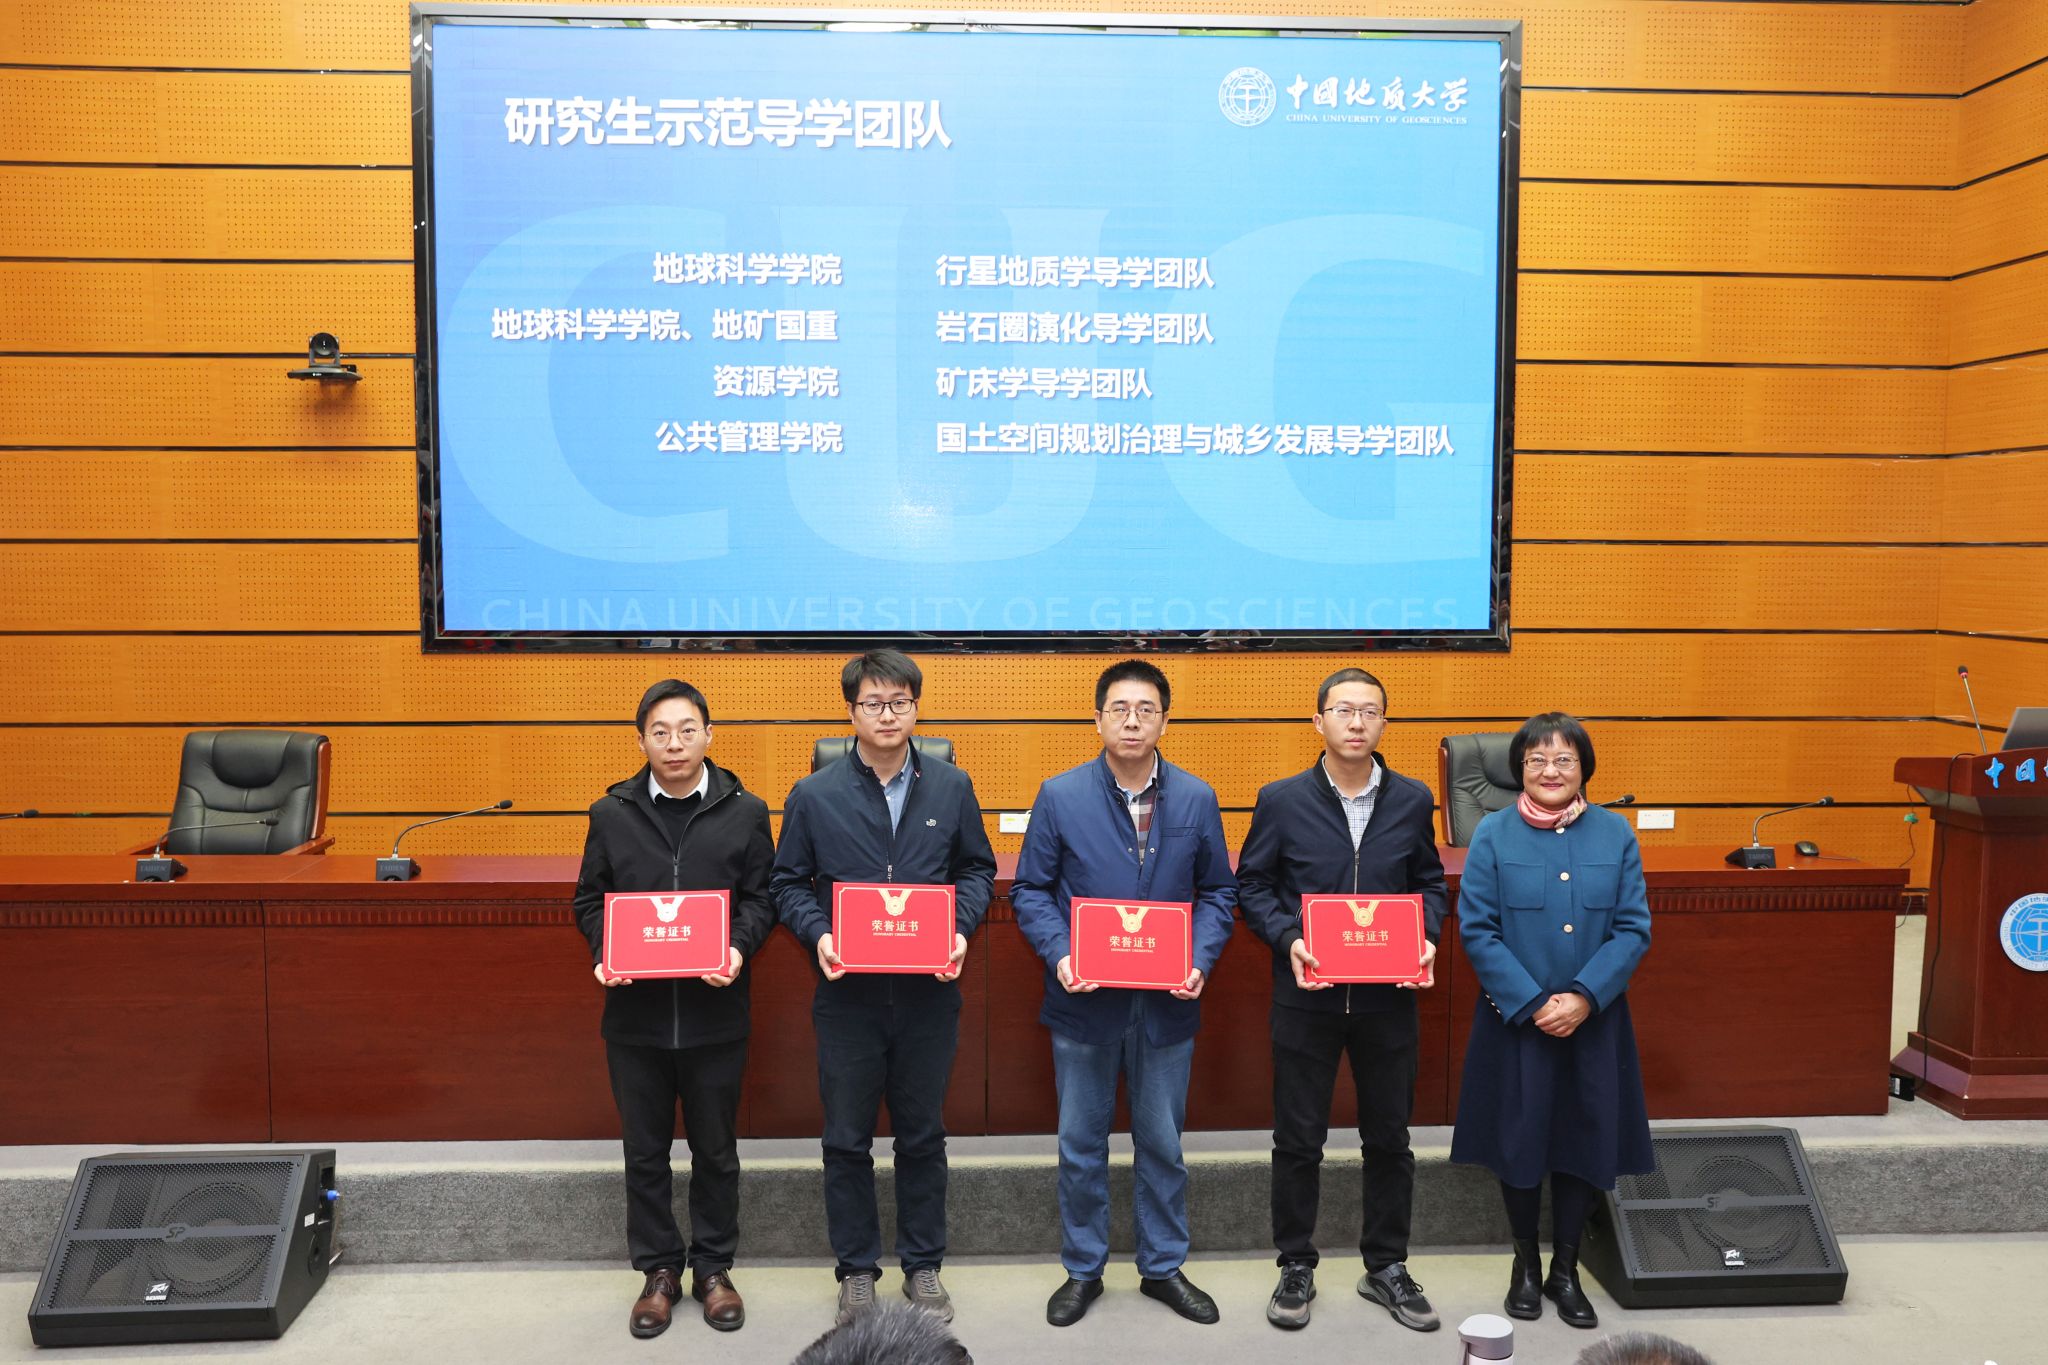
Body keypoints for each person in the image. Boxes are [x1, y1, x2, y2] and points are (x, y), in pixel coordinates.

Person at [771, 650, 997, 1327]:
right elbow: (787, 883)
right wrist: (820, 935)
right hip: (848, 997)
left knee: (922, 1134)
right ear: (852, 712)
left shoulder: (952, 786)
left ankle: (924, 1264)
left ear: (916, 708)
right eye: (874, 702)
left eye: (900, 701)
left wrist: (959, 929)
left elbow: (977, 870)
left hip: (929, 994)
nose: (888, 714)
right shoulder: (814, 794)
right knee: (846, 1137)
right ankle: (856, 1272)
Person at [1010, 659, 1237, 1328]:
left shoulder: (1196, 797)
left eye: (1146, 709)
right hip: (1085, 1001)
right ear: (1098, 718)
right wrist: (1061, 953)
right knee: (1081, 1143)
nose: (1132, 720)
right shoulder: (1060, 795)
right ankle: (1083, 1269)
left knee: (1162, 1143)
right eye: (1119, 708)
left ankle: (1163, 1266)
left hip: (1167, 1002)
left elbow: (1219, 892)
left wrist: (1198, 958)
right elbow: (1030, 890)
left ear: (1165, 719)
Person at [1236, 667, 1448, 1333]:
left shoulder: (1412, 799)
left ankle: (1386, 1264)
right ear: (1319, 721)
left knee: (1390, 1137)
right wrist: (1289, 939)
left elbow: (1430, 884)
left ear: (1385, 722)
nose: (1357, 723)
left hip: (1388, 1001)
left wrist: (1426, 938)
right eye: (1344, 710)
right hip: (1307, 998)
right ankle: (1295, 1264)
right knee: (1298, 1139)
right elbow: (1252, 885)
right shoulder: (1281, 799)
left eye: (1370, 711)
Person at [573, 679, 777, 1339]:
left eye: (687, 730)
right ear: (641, 741)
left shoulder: (746, 811)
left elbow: (762, 897)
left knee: (716, 1150)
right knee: (645, 1153)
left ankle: (713, 1268)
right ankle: (659, 1271)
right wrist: (605, 950)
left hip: (717, 1014)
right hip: (636, 1019)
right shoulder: (611, 813)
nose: (675, 743)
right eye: (660, 732)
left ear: (708, 735)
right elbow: (590, 899)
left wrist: (737, 948)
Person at [1450, 712, 1654, 1330]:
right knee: (1519, 1141)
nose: (1550, 770)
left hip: (1594, 1024)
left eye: (1564, 759)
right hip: (1517, 1023)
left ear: (1584, 768)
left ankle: (1565, 1270)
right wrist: (1535, 1002)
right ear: (1519, 769)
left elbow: (1632, 929)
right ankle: (1525, 1265)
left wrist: (1585, 997)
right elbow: (1478, 930)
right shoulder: (1492, 834)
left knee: (1581, 1141)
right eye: (1536, 760)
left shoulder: (1615, 834)